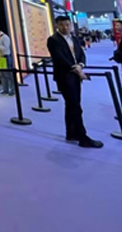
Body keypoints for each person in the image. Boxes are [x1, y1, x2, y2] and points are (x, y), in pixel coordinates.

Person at [47, 15, 103, 148]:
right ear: (57, 26)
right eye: (61, 25)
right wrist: (77, 70)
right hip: (65, 76)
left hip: (75, 75)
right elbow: (60, 58)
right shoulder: (53, 40)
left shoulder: (75, 38)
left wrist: (81, 66)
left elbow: (81, 54)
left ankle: (71, 133)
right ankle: (83, 137)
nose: (65, 27)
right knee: (75, 106)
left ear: (71, 25)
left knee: (72, 105)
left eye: (67, 25)